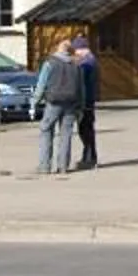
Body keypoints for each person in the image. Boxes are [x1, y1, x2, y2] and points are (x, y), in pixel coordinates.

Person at [33, 40, 85, 174]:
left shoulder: (50, 63)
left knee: (46, 130)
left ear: (58, 49)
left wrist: (35, 100)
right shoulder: (76, 65)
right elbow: (81, 88)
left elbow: (42, 83)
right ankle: (63, 166)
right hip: (71, 103)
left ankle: (45, 166)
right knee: (66, 134)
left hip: (53, 102)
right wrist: (81, 106)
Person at [72, 34, 100, 170]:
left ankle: (89, 157)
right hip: (90, 98)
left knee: (85, 129)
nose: (75, 53)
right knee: (87, 128)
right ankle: (90, 156)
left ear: (81, 49)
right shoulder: (91, 60)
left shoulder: (86, 63)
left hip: (86, 100)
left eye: (76, 50)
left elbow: (81, 81)